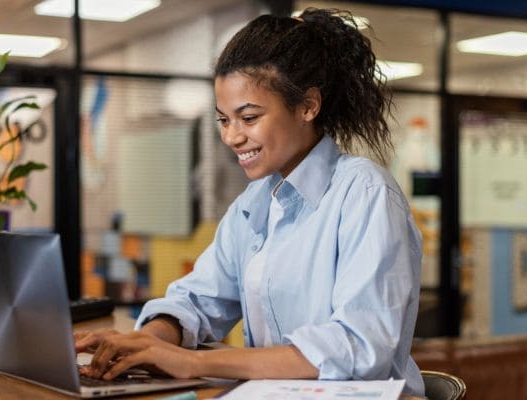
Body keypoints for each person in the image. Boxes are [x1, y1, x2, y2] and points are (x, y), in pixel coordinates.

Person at [75, 7, 424, 396]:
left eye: (249, 117)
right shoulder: (254, 203)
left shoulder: (366, 193)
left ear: (308, 106)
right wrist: (152, 341)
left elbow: (358, 348)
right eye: (224, 120)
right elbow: (198, 298)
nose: (232, 137)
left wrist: (193, 362)